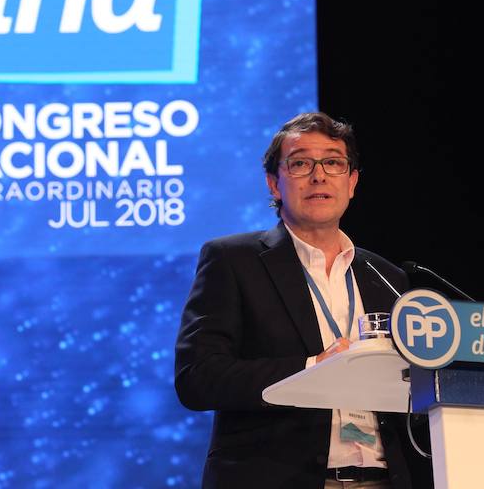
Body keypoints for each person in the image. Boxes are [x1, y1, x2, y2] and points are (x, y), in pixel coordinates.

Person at [174, 112, 431, 489]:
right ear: (273, 184)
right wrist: (312, 368)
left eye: (333, 162)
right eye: (300, 163)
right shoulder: (232, 261)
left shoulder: (387, 277)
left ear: (352, 181)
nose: (319, 175)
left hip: (382, 479)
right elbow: (198, 378)